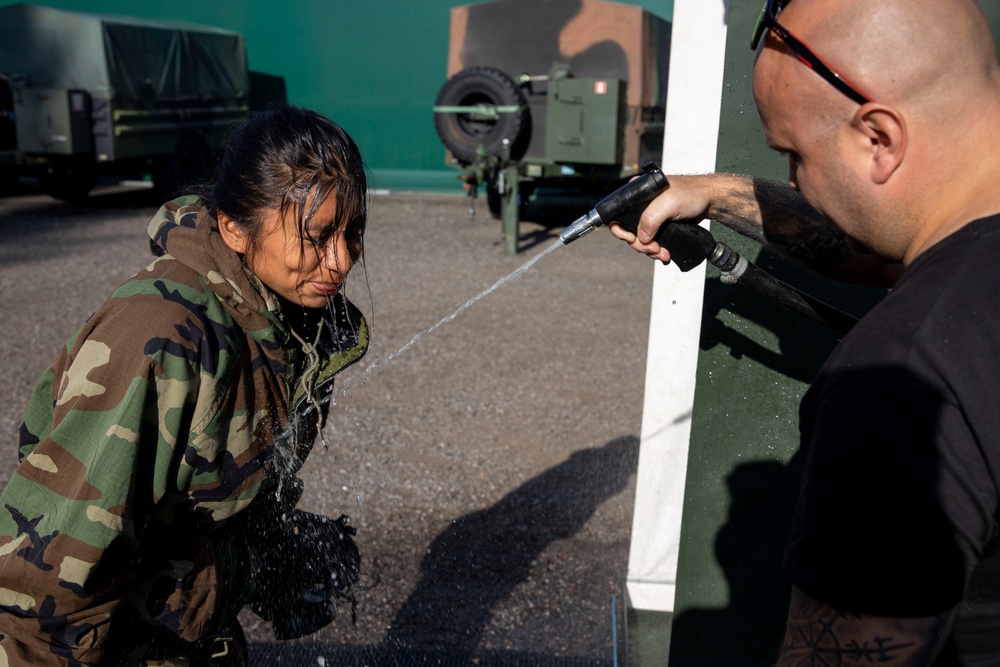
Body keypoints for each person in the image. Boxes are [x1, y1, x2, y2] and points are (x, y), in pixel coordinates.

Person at [612, 0, 1000, 663]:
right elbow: (894, 245)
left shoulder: (900, 381)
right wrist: (713, 192)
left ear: (878, 137)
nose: (792, 178)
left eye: (793, 155)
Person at [0, 105, 371, 665]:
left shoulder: (287, 324)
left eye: (353, 232)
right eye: (317, 236)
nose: (340, 260)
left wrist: (269, 549)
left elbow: (209, 485)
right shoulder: (160, 340)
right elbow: (46, 589)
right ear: (232, 228)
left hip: (198, 639)